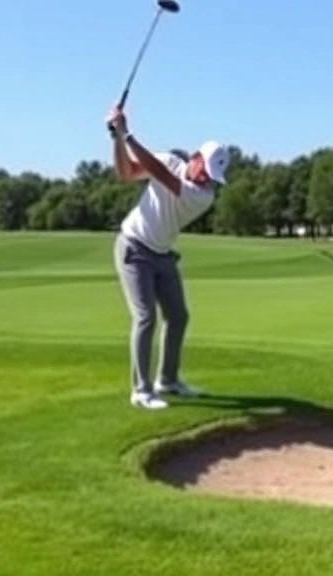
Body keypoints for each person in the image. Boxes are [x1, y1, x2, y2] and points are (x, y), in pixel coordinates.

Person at [105, 105, 229, 410]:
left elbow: (162, 177)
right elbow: (126, 173)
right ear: (195, 157)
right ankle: (141, 391)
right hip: (134, 247)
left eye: (213, 177)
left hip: (162, 254)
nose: (207, 179)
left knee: (178, 315)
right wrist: (117, 140)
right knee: (145, 317)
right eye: (205, 171)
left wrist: (127, 134)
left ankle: (168, 380)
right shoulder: (170, 161)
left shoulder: (203, 196)